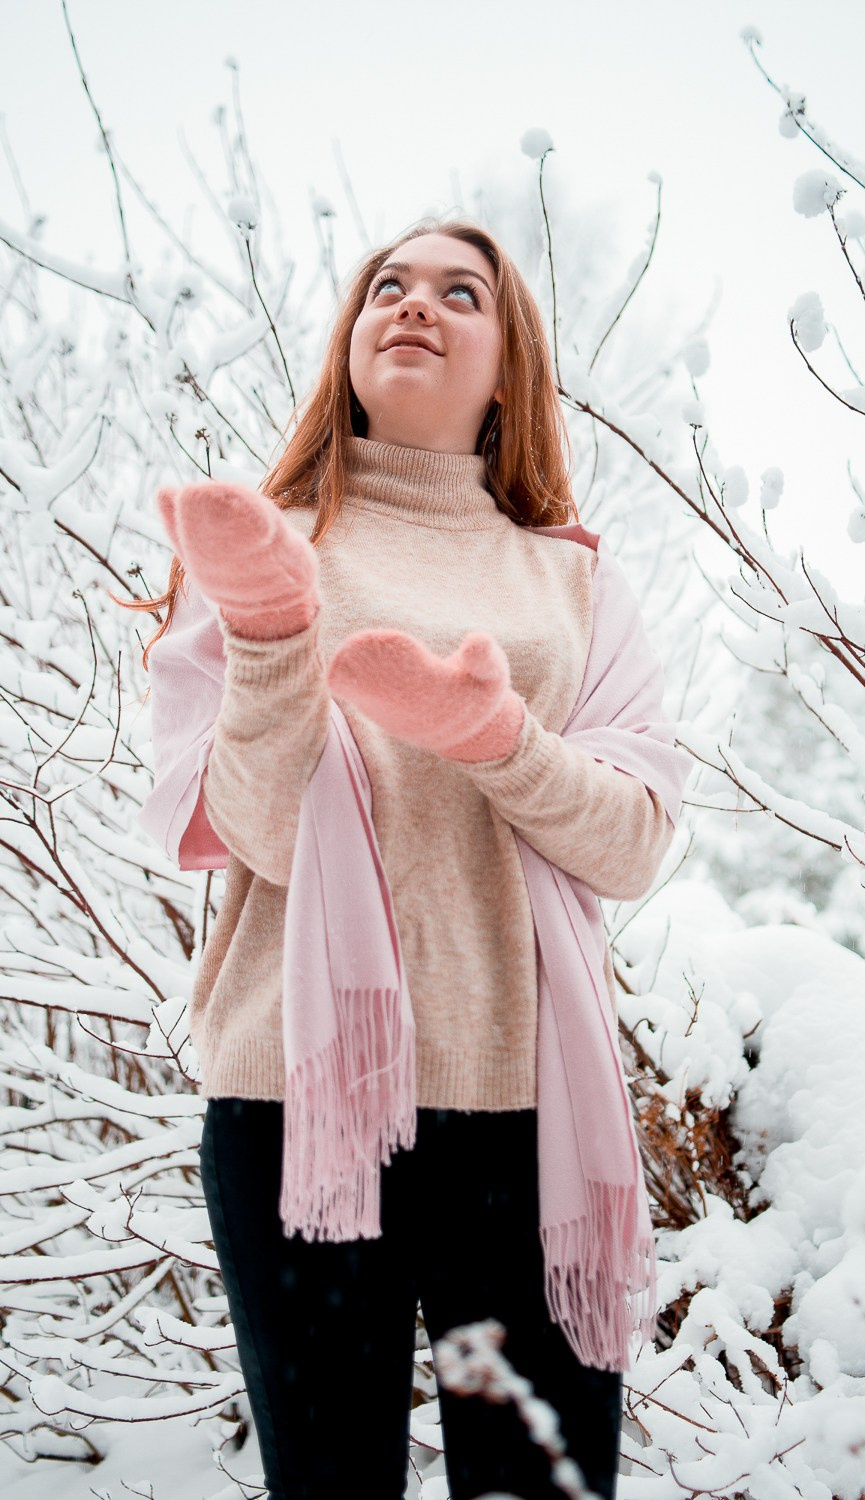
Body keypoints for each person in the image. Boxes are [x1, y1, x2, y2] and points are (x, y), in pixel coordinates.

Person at [130, 216, 692, 1500]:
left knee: (539, 1490)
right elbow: (251, 828)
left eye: (460, 292)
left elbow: (631, 839)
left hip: (527, 1117)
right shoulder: (256, 542)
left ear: (512, 368)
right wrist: (274, 627)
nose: (414, 306)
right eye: (386, 285)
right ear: (347, 341)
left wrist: (495, 738)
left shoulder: (576, 590)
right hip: (300, 1105)